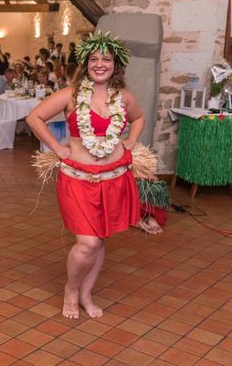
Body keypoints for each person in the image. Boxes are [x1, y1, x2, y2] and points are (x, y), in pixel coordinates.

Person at [26, 32, 143, 320]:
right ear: (85, 64)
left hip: (114, 177)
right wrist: (57, 147)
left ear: (116, 64)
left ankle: (86, 294)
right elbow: (34, 117)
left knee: (100, 239)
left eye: (106, 59)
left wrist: (130, 142)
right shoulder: (70, 95)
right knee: (88, 242)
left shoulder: (124, 98)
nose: (100, 64)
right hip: (78, 178)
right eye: (94, 59)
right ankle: (71, 289)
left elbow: (138, 118)